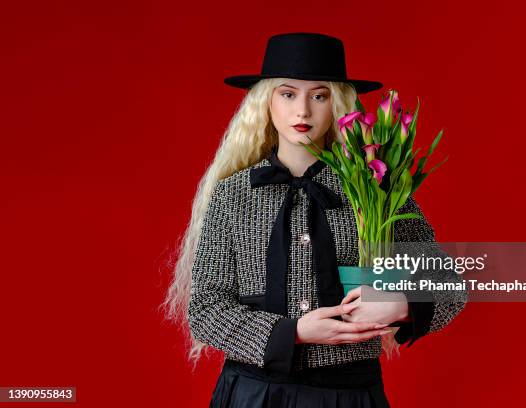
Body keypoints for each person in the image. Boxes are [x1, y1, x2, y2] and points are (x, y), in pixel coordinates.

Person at [163, 32, 467, 407]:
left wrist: (400, 302)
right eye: (288, 94)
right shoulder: (233, 194)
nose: (303, 111)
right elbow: (207, 309)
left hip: (350, 395)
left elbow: (448, 285)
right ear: (266, 103)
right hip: (254, 394)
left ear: (337, 103)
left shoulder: (374, 188)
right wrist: (293, 332)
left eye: (318, 95)